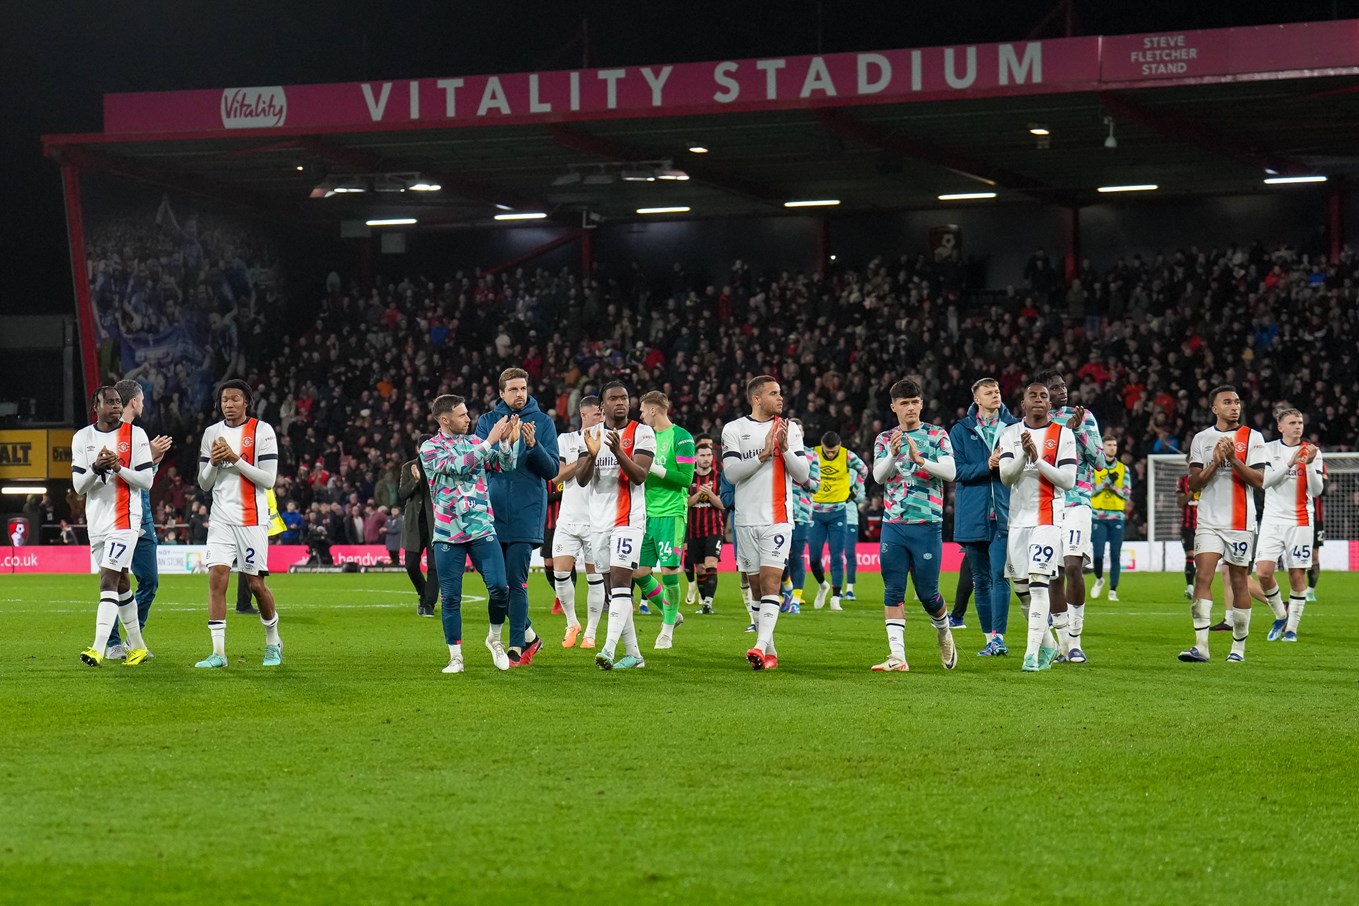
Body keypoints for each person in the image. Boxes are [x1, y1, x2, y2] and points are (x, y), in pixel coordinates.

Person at [421, 394, 518, 674]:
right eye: (462, 415)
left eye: (467, 414)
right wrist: (490, 442)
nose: (468, 419)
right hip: (448, 532)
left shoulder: (475, 442)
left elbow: (505, 465)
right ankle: (455, 657)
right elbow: (457, 466)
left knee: (500, 587)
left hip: (481, 527)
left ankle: (494, 639)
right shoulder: (430, 448)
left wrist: (504, 443)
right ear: (444, 420)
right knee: (451, 598)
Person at [721, 375, 810, 670]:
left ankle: (758, 646)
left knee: (772, 583)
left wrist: (783, 448)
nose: (780, 398)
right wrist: (762, 455)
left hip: (777, 519)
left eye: (780, 393)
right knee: (757, 589)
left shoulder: (789, 429)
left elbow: (802, 475)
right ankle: (769, 651)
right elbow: (732, 474)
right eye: (774, 393)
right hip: (745, 520)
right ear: (756, 399)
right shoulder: (734, 429)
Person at [869, 379, 958, 672]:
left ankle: (944, 632)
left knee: (928, 594)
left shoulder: (936, 435)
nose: (910, 407)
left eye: (914, 402)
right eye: (904, 403)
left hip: (927, 523)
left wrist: (922, 461)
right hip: (894, 523)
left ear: (921, 403)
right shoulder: (885, 438)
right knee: (893, 590)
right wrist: (894, 456)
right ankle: (898, 656)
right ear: (894, 406)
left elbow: (950, 472)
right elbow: (879, 477)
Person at [195, 379, 284, 669]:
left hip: (252, 519)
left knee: (256, 585)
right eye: (224, 400)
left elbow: (268, 480)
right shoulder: (211, 433)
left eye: (234, 399)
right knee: (217, 578)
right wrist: (213, 463)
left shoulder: (263, 431)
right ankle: (218, 653)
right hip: (221, 519)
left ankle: (273, 642)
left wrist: (234, 459)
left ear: (246, 401)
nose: (228, 405)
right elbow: (204, 483)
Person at [474, 367, 558, 666]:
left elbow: (552, 471)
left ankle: (515, 647)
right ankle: (531, 637)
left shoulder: (543, 423)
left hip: (526, 512)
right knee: (497, 584)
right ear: (501, 393)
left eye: (523, 388)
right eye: (513, 389)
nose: (519, 394)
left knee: (516, 582)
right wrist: (499, 442)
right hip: (490, 513)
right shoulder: (487, 422)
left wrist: (534, 446)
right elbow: (477, 462)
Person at [1181, 385, 1267, 664]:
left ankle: (1238, 649)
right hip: (1208, 521)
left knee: (1239, 581)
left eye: (1237, 402)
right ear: (1214, 408)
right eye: (1227, 402)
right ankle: (1201, 646)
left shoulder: (1253, 438)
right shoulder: (1201, 439)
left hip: (1240, 522)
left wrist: (1232, 458)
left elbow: (1258, 480)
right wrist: (1216, 462)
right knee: (1202, 577)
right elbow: (1193, 484)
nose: (1234, 406)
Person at [575, 381, 655, 670]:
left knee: (622, 584)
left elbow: (640, 476)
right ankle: (634, 654)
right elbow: (582, 479)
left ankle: (607, 650)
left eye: (624, 397)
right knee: (612, 589)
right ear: (602, 405)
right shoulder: (592, 434)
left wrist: (618, 451)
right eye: (613, 398)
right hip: (599, 521)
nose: (620, 402)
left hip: (629, 519)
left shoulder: (642, 432)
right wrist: (594, 454)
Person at [998, 382, 1077, 672]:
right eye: (1033, 395)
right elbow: (1006, 476)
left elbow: (1067, 481)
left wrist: (1038, 460)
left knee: (1039, 582)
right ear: (1023, 403)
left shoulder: (1063, 434)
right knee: (1021, 590)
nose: (1040, 400)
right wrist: (1024, 455)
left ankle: (1030, 655)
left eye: (1044, 396)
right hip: (1018, 521)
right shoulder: (1009, 434)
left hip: (1048, 519)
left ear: (1049, 404)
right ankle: (1049, 644)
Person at [73, 387, 156, 667]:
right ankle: (139, 647)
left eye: (118, 402)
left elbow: (146, 480)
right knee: (121, 582)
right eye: (109, 402)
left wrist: (118, 468)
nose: (116, 406)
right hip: (96, 521)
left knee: (107, 578)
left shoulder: (136, 435)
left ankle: (98, 647)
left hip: (125, 519)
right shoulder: (82, 438)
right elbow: (78, 486)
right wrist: (96, 467)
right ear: (96, 406)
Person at [948, 377, 1020, 656]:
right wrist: (987, 464)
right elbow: (957, 471)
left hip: (1004, 513)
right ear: (976, 399)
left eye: (998, 391)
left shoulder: (1014, 428)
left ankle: (999, 637)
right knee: (980, 579)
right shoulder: (961, 430)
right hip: (973, 514)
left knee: (1000, 575)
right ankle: (989, 639)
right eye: (988, 392)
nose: (995, 395)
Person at [103, 379, 172, 660]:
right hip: (113, 516)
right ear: (134, 402)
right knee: (114, 579)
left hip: (141, 516)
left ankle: (134, 637)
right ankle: (112, 643)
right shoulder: (106, 435)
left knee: (150, 581)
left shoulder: (140, 436)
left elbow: (145, 482)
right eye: (142, 401)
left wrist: (152, 461)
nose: (143, 405)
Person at [1038, 369, 1102, 663]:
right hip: (1049, 502)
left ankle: (1076, 641)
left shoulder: (1084, 417)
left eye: (1063, 385)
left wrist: (1077, 431)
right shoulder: (1037, 424)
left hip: (1077, 500)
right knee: (1054, 573)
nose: (1062, 390)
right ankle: (1064, 645)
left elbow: (1099, 461)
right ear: (1042, 393)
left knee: (1073, 566)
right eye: (1054, 387)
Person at [1256, 408, 1323, 642]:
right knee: (1263, 573)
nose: (1298, 426)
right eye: (1293, 422)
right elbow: (1265, 482)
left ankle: (1292, 629)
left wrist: (1310, 465)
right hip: (1272, 521)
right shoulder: (1269, 449)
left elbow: (1316, 491)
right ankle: (1281, 615)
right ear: (1280, 427)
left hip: (1300, 521)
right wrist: (1291, 463)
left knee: (1297, 575)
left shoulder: (1313, 452)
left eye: (1300, 422)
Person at [636, 390, 696, 649]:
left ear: (653, 410)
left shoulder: (681, 437)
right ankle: (672, 612)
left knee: (670, 571)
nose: (639, 415)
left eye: (641, 410)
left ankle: (667, 629)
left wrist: (656, 469)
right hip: (644, 514)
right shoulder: (643, 436)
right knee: (638, 572)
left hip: (671, 513)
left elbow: (686, 479)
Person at [552, 396, 604, 647]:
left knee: (595, 578)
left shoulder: (610, 441)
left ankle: (591, 633)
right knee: (560, 574)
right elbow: (558, 476)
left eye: (602, 413)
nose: (602, 418)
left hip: (597, 521)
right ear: (584, 415)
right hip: (569, 519)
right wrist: (586, 455)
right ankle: (572, 622)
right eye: (597, 414)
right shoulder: (566, 440)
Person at [807, 432, 867, 611]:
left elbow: (863, 470)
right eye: (828, 451)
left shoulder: (847, 455)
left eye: (834, 451)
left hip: (838, 513)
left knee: (836, 556)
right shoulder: (812, 453)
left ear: (839, 445)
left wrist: (854, 492)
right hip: (816, 513)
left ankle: (835, 597)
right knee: (814, 558)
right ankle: (823, 585)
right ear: (821, 445)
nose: (831, 454)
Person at [781, 419, 821, 615]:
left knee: (796, 556)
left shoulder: (812, 456)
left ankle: (796, 599)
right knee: (780, 558)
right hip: (780, 511)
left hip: (802, 514)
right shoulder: (778, 452)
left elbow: (816, 485)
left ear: (802, 433)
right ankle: (787, 590)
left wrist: (802, 476)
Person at [684, 436, 724, 615]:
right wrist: (699, 495)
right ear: (695, 458)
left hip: (714, 528)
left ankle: (708, 602)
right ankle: (704, 604)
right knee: (699, 568)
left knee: (710, 563)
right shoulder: (688, 477)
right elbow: (685, 503)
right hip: (693, 530)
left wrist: (710, 494)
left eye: (709, 455)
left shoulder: (718, 476)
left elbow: (722, 504)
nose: (706, 458)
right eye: (702, 455)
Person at [1090, 434, 1132, 602]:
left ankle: (1113, 590)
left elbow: (1127, 494)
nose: (1112, 448)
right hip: (1098, 515)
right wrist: (1105, 484)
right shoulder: (1095, 467)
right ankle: (1099, 578)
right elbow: (1091, 490)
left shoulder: (1123, 469)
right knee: (1098, 554)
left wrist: (1113, 487)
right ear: (1103, 447)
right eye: (1109, 445)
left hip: (1117, 516)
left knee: (1115, 555)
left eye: (1114, 445)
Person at [234, 488, 286, 615]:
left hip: (254, 527)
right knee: (253, 567)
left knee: (248, 566)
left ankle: (243, 603)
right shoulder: (260, 485)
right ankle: (246, 604)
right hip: (253, 528)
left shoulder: (260, 485)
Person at [399, 452, 439, 617]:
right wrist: (415, 480)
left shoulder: (439, 465)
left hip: (435, 524)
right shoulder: (408, 467)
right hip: (414, 525)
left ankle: (429, 604)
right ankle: (424, 594)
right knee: (410, 564)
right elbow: (402, 494)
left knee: (434, 567)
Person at [1174, 457, 1199, 601]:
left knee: (1202, 559)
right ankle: (1190, 586)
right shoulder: (1183, 481)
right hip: (1188, 525)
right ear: (1187, 464)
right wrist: (1192, 491)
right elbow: (1180, 502)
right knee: (1190, 554)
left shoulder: (1206, 478)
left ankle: (1200, 588)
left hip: (1205, 524)